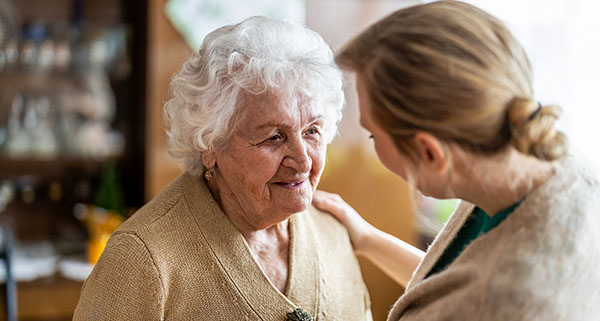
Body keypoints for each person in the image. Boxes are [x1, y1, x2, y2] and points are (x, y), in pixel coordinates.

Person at [313, 1, 600, 320]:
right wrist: (366, 238)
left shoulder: (518, 299)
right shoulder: (545, 167)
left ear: (430, 153)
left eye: (372, 135)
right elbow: (452, 284)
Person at [74, 16, 372, 321]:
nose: (303, 160)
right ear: (211, 145)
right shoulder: (141, 260)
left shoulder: (333, 234)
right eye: (273, 137)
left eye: (312, 131)